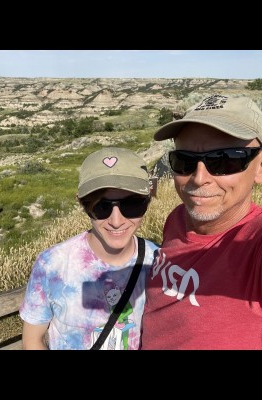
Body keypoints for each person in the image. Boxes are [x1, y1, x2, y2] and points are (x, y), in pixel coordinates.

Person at [141, 94, 262, 350]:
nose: (199, 178)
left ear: (260, 168)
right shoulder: (177, 218)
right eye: (183, 161)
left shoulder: (253, 245)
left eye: (225, 160)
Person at [19, 147, 159, 350]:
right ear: (83, 205)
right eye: (102, 207)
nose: (116, 221)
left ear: (148, 200)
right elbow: (32, 340)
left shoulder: (158, 261)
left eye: (132, 205)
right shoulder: (52, 264)